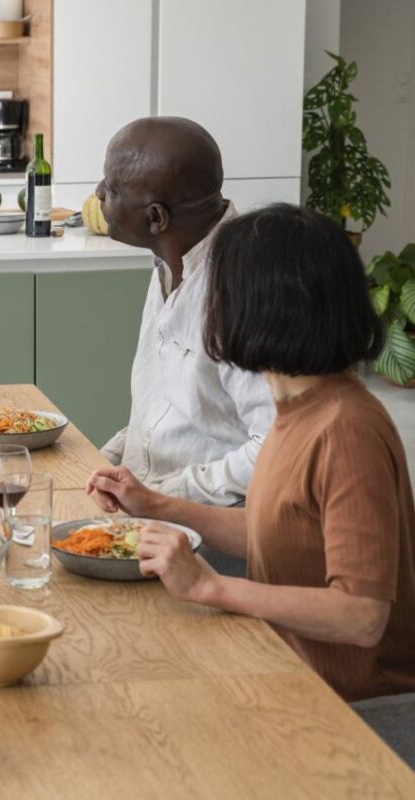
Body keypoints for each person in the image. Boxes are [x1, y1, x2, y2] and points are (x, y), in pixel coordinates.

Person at [86, 204, 415, 702]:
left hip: (352, 708)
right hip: (281, 668)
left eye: (218, 294)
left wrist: (210, 587)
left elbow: (362, 616)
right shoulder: (296, 406)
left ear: (260, 309)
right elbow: (280, 533)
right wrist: (157, 505)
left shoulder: (347, 430)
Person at [96, 117, 275, 508]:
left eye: (111, 188)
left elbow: (276, 445)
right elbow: (167, 411)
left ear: (155, 218)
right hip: (149, 505)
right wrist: (106, 460)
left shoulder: (244, 288)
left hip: (211, 523)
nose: (98, 193)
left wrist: (166, 495)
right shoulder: (172, 257)